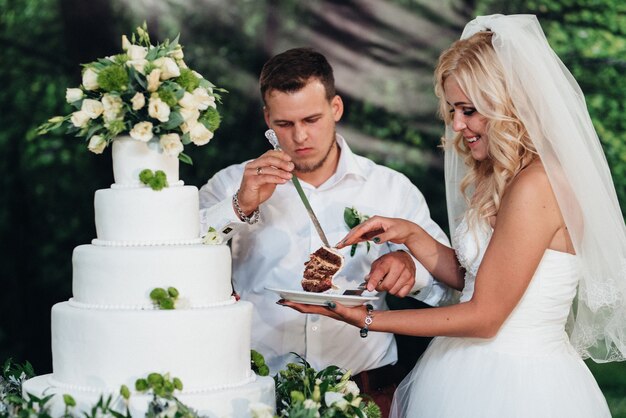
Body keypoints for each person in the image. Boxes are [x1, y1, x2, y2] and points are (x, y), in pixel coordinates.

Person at [280, 14, 626, 417]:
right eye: (453, 109)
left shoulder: (537, 186)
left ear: (508, 105)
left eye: (469, 110)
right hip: (463, 368)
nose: (457, 125)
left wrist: (365, 317)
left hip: (517, 385)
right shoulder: (507, 177)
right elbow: (480, 278)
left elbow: (485, 316)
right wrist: (409, 234)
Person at [198, 48, 456, 413]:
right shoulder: (231, 184)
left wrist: (411, 272)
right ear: (267, 119)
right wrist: (239, 206)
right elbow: (178, 253)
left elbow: (452, 291)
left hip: (366, 390)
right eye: (284, 124)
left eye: (312, 119)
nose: (300, 136)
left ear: (336, 108)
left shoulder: (390, 189)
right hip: (257, 391)